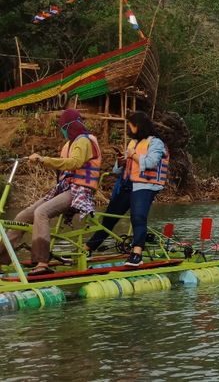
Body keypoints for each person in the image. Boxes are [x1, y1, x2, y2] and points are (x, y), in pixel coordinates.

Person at [0, 109, 101, 275]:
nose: (62, 131)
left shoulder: (84, 141)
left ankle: (42, 262)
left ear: (71, 125)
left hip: (80, 191)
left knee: (41, 212)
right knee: (23, 216)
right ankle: (2, 259)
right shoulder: (69, 144)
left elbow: (74, 162)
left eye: (64, 127)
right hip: (64, 188)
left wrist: (43, 160)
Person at [85, 111, 169, 267]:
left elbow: (151, 163)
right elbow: (118, 170)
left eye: (130, 126)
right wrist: (121, 160)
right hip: (127, 185)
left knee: (138, 218)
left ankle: (137, 254)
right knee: (109, 218)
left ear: (138, 126)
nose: (128, 130)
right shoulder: (132, 143)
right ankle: (88, 248)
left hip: (145, 185)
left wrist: (133, 155)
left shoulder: (156, 143)